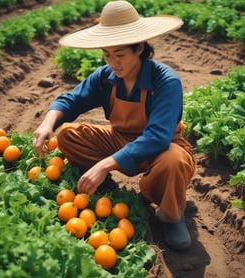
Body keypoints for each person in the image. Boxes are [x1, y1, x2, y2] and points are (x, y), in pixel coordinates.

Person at [33, 0, 196, 250]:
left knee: (174, 161)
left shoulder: (166, 81)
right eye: (107, 54)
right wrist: (48, 123)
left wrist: (105, 163)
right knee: (67, 134)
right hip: (119, 139)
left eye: (119, 54)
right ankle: (106, 182)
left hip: (162, 148)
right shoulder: (106, 77)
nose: (113, 62)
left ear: (139, 48)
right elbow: (70, 100)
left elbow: (157, 137)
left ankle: (171, 214)